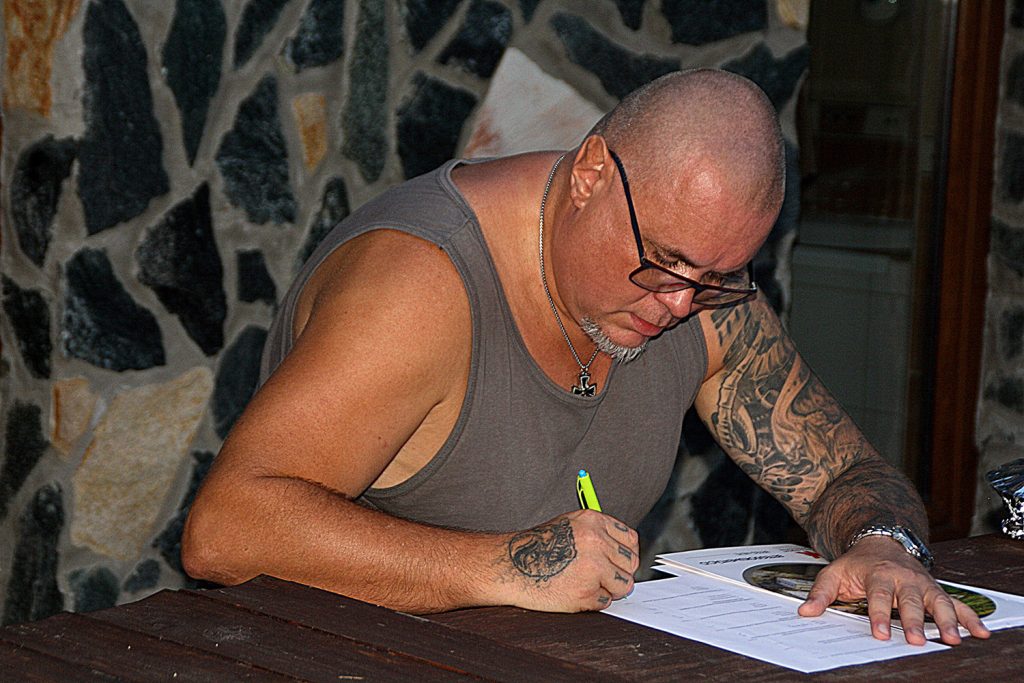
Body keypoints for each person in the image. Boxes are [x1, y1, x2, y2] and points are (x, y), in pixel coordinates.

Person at [182, 69, 989, 646]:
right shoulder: (421, 285)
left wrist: (885, 544)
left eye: (716, 276)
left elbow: (847, 472)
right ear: (592, 173)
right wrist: (504, 566)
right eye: (664, 262)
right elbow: (225, 528)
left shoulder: (701, 298)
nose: (679, 304)